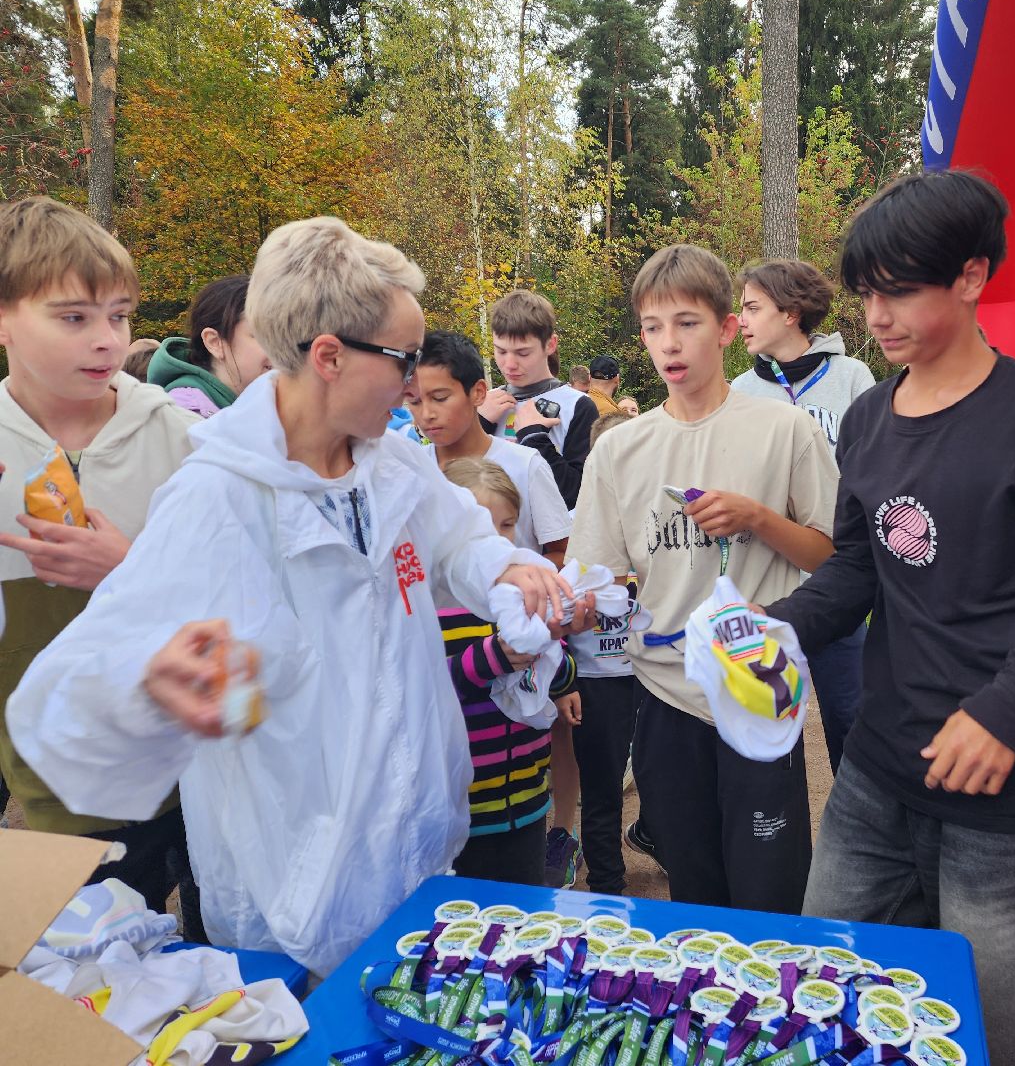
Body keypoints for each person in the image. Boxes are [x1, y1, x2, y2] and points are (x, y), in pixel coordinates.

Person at [7, 215, 586, 976]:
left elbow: (457, 540)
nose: (415, 383)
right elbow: (78, 683)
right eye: (402, 361)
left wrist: (504, 570)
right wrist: (153, 680)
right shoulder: (219, 496)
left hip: (408, 848)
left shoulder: (392, 466)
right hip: (289, 879)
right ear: (329, 357)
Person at [760, 171, 1015, 1066]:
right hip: (876, 773)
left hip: (1009, 797)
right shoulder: (865, 418)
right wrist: (779, 627)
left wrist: (1004, 713)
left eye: (899, 290)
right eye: (866, 293)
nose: (877, 315)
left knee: (995, 1034)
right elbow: (858, 566)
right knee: (831, 989)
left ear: (972, 277)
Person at [570, 243, 838, 913]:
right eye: (653, 326)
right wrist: (561, 606)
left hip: (757, 690)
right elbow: (596, 578)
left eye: (687, 322)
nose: (669, 343)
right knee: (691, 889)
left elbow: (835, 559)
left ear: (725, 329)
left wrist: (757, 518)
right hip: (662, 698)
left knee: (769, 890)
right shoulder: (620, 449)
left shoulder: (786, 431)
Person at [0, 195, 199, 918]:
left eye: (118, 315)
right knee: (94, 971)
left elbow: (255, 597)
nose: (107, 340)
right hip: (61, 782)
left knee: (215, 959)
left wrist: (132, 570)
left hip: (202, 767)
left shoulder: (181, 439)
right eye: (73, 317)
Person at [730, 257, 875, 774]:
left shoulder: (852, 377)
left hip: (837, 581)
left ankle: (862, 835)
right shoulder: (740, 393)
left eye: (751, 307)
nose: (740, 319)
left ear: (791, 312)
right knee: (764, 724)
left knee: (849, 716)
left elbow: (872, 472)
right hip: (766, 581)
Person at [437, 457, 579, 885]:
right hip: (461, 813)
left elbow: (562, 676)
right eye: (481, 530)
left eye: (507, 526)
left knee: (523, 921)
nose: (498, 543)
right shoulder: (428, 606)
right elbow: (433, 687)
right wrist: (495, 657)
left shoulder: (524, 601)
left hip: (528, 801)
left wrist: (554, 643)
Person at [568, 410, 650, 894]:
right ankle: (606, 883)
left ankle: (665, 847)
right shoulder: (577, 525)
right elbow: (558, 614)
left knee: (667, 781)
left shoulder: (661, 519)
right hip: (598, 679)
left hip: (655, 674)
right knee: (601, 788)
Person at [409, 329, 570, 566]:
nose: (427, 414)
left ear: (478, 393)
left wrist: (518, 584)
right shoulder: (410, 469)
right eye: (414, 401)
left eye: (440, 398)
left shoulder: (525, 465)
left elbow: (563, 551)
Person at [479, 289, 599, 509]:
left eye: (523, 353)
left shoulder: (578, 406)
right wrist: (478, 424)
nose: (509, 364)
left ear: (550, 345)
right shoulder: (484, 403)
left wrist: (534, 438)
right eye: (501, 351)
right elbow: (451, 481)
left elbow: (578, 496)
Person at [148, 275, 271, 418]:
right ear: (215, 342)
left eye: (288, 336)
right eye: (265, 336)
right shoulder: (183, 417)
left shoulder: (267, 406)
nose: (284, 349)